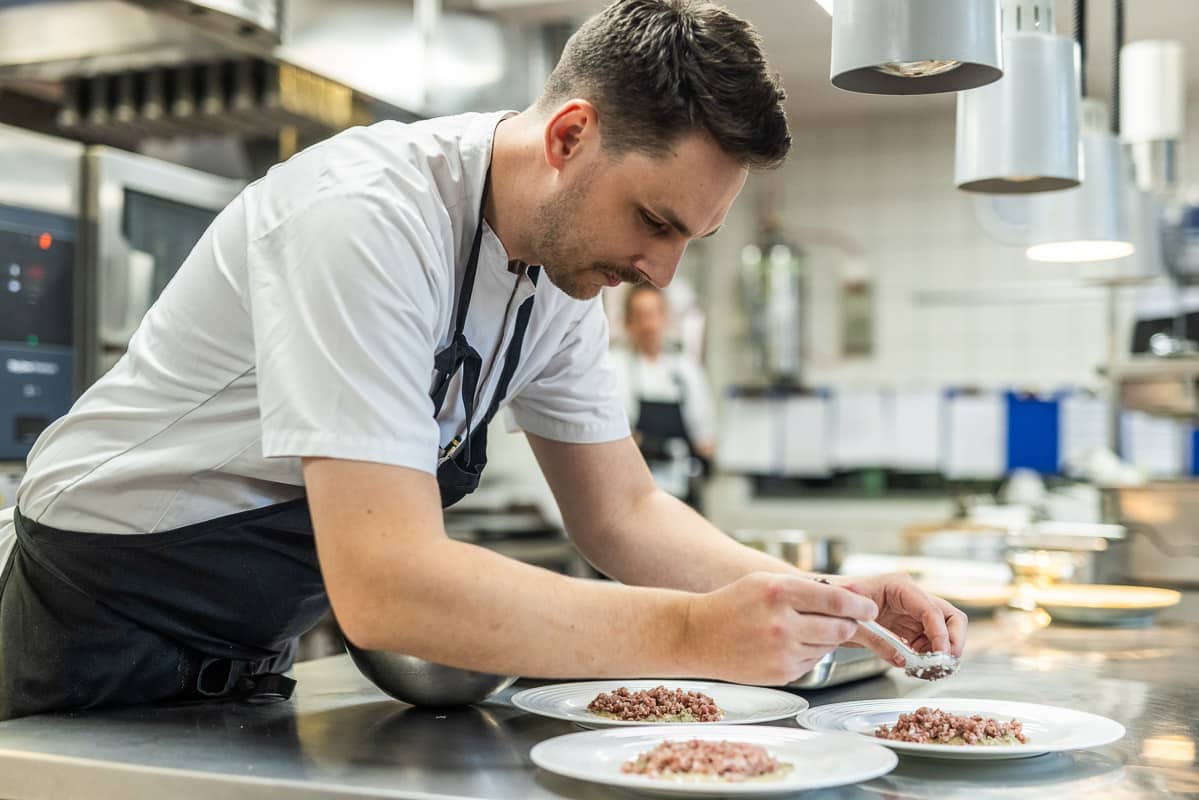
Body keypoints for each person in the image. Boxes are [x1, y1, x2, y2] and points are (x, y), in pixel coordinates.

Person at [0, 0, 965, 720]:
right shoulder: (364, 219)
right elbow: (385, 586)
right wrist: (690, 633)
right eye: (653, 222)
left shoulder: (559, 272)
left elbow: (622, 512)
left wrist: (831, 607)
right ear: (569, 135)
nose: (659, 275)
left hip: (234, 655)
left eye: (689, 242)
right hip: (83, 628)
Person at [612, 283, 715, 506]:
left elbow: (705, 439)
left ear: (666, 318)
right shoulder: (616, 367)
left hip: (684, 494)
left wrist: (703, 460)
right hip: (635, 493)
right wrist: (650, 445)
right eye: (640, 316)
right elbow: (614, 436)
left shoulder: (686, 371)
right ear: (628, 322)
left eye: (654, 315)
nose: (649, 325)